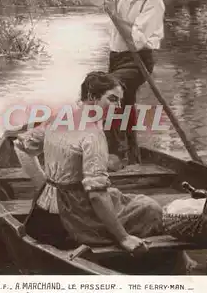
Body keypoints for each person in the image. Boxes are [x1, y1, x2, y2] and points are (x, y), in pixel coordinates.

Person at [13, 71, 162, 255]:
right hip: (73, 220)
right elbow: (96, 196)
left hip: (42, 215)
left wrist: (43, 185)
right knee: (150, 208)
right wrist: (124, 237)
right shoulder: (93, 135)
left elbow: (21, 147)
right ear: (92, 97)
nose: (117, 107)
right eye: (112, 99)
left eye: (119, 101)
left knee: (116, 195)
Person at [62, 0, 172, 164]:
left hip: (139, 60)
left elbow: (134, 40)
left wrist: (114, 14)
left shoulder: (155, 3)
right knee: (125, 107)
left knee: (106, 91)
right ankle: (132, 156)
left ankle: (111, 153)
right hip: (117, 58)